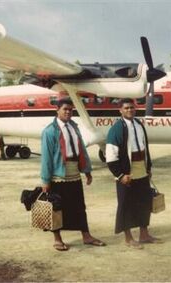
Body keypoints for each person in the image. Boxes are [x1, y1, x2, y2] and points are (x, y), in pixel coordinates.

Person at [41, 97, 105, 251]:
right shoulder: (50, 131)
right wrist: (45, 180)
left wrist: (87, 170)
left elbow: (82, 150)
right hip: (58, 176)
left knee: (79, 206)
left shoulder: (74, 127)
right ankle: (57, 239)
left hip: (74, 173)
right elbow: (46, 157)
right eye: (65, 109)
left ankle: (86, 236)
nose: (68, 112)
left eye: (70, 110)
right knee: (56, 208)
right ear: (57, 110)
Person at [105, 98, 161, 249]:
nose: (130, 110)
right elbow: (110, 156)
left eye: (132, 107)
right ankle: (128, 238)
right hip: (126, 172)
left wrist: (148, 168)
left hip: (141, 169)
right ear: (120, 110)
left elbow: (145, 149)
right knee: (126, 204)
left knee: (144, 202)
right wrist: (120, 175)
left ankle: (144, 234)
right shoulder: (117, 129)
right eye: (126, 108)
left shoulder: (139, 124)